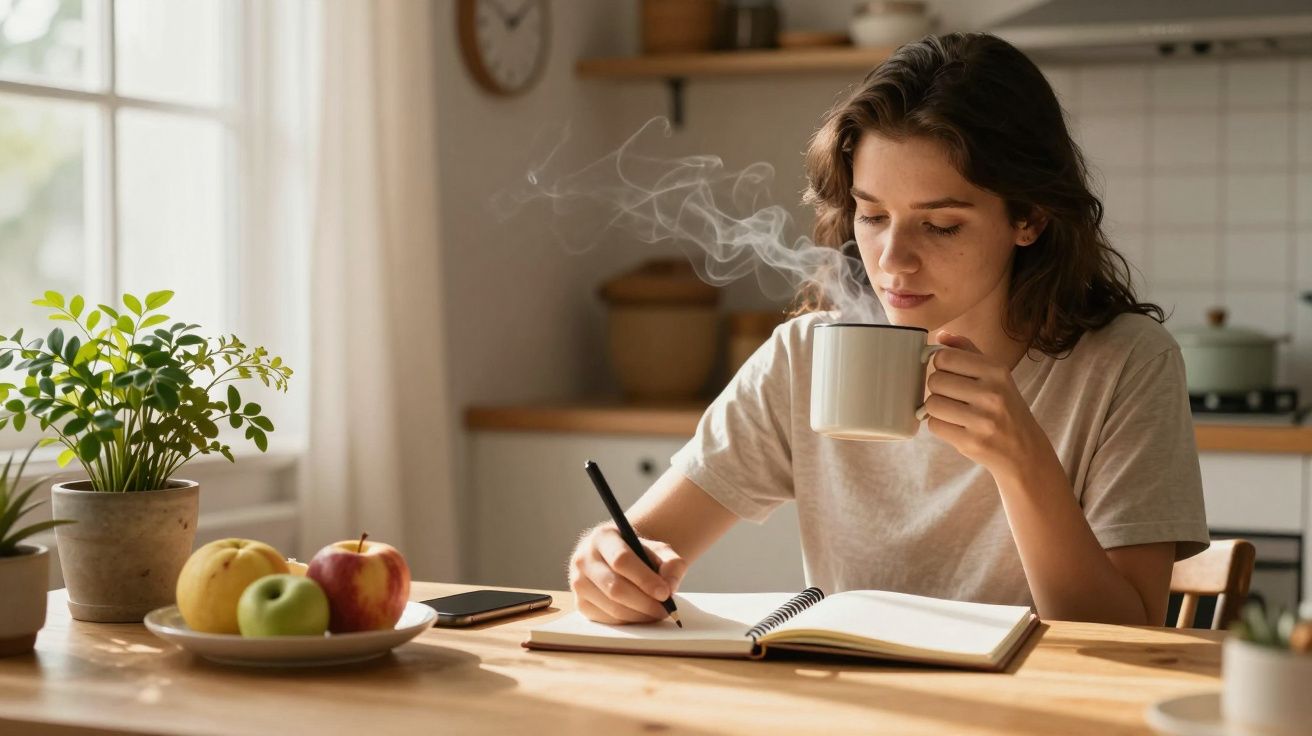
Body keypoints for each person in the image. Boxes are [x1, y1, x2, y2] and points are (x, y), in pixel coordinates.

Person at [567, 33, 1208, 627]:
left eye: (941, 224)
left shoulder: (1126, 365)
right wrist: (605, 565)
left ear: (1030, 219)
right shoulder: (805, 357)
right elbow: (642, 545)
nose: (891, 260)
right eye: (872, 217)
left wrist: (1024, 463)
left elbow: (1131, 641)